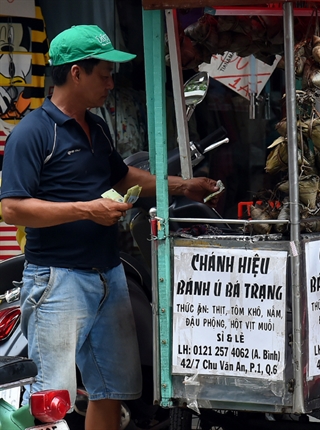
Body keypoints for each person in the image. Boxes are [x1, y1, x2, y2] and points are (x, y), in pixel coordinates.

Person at [0, 25, 222, 430]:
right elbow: (12, 209)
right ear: (76, 73)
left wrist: (184, 185)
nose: (110, 82)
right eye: (103, 73)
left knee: (111, 389)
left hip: (108, 274)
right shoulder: (33, 133)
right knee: (53, 400)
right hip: (57, 279)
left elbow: (121, 178)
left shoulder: (97, 125)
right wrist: (86, 210)